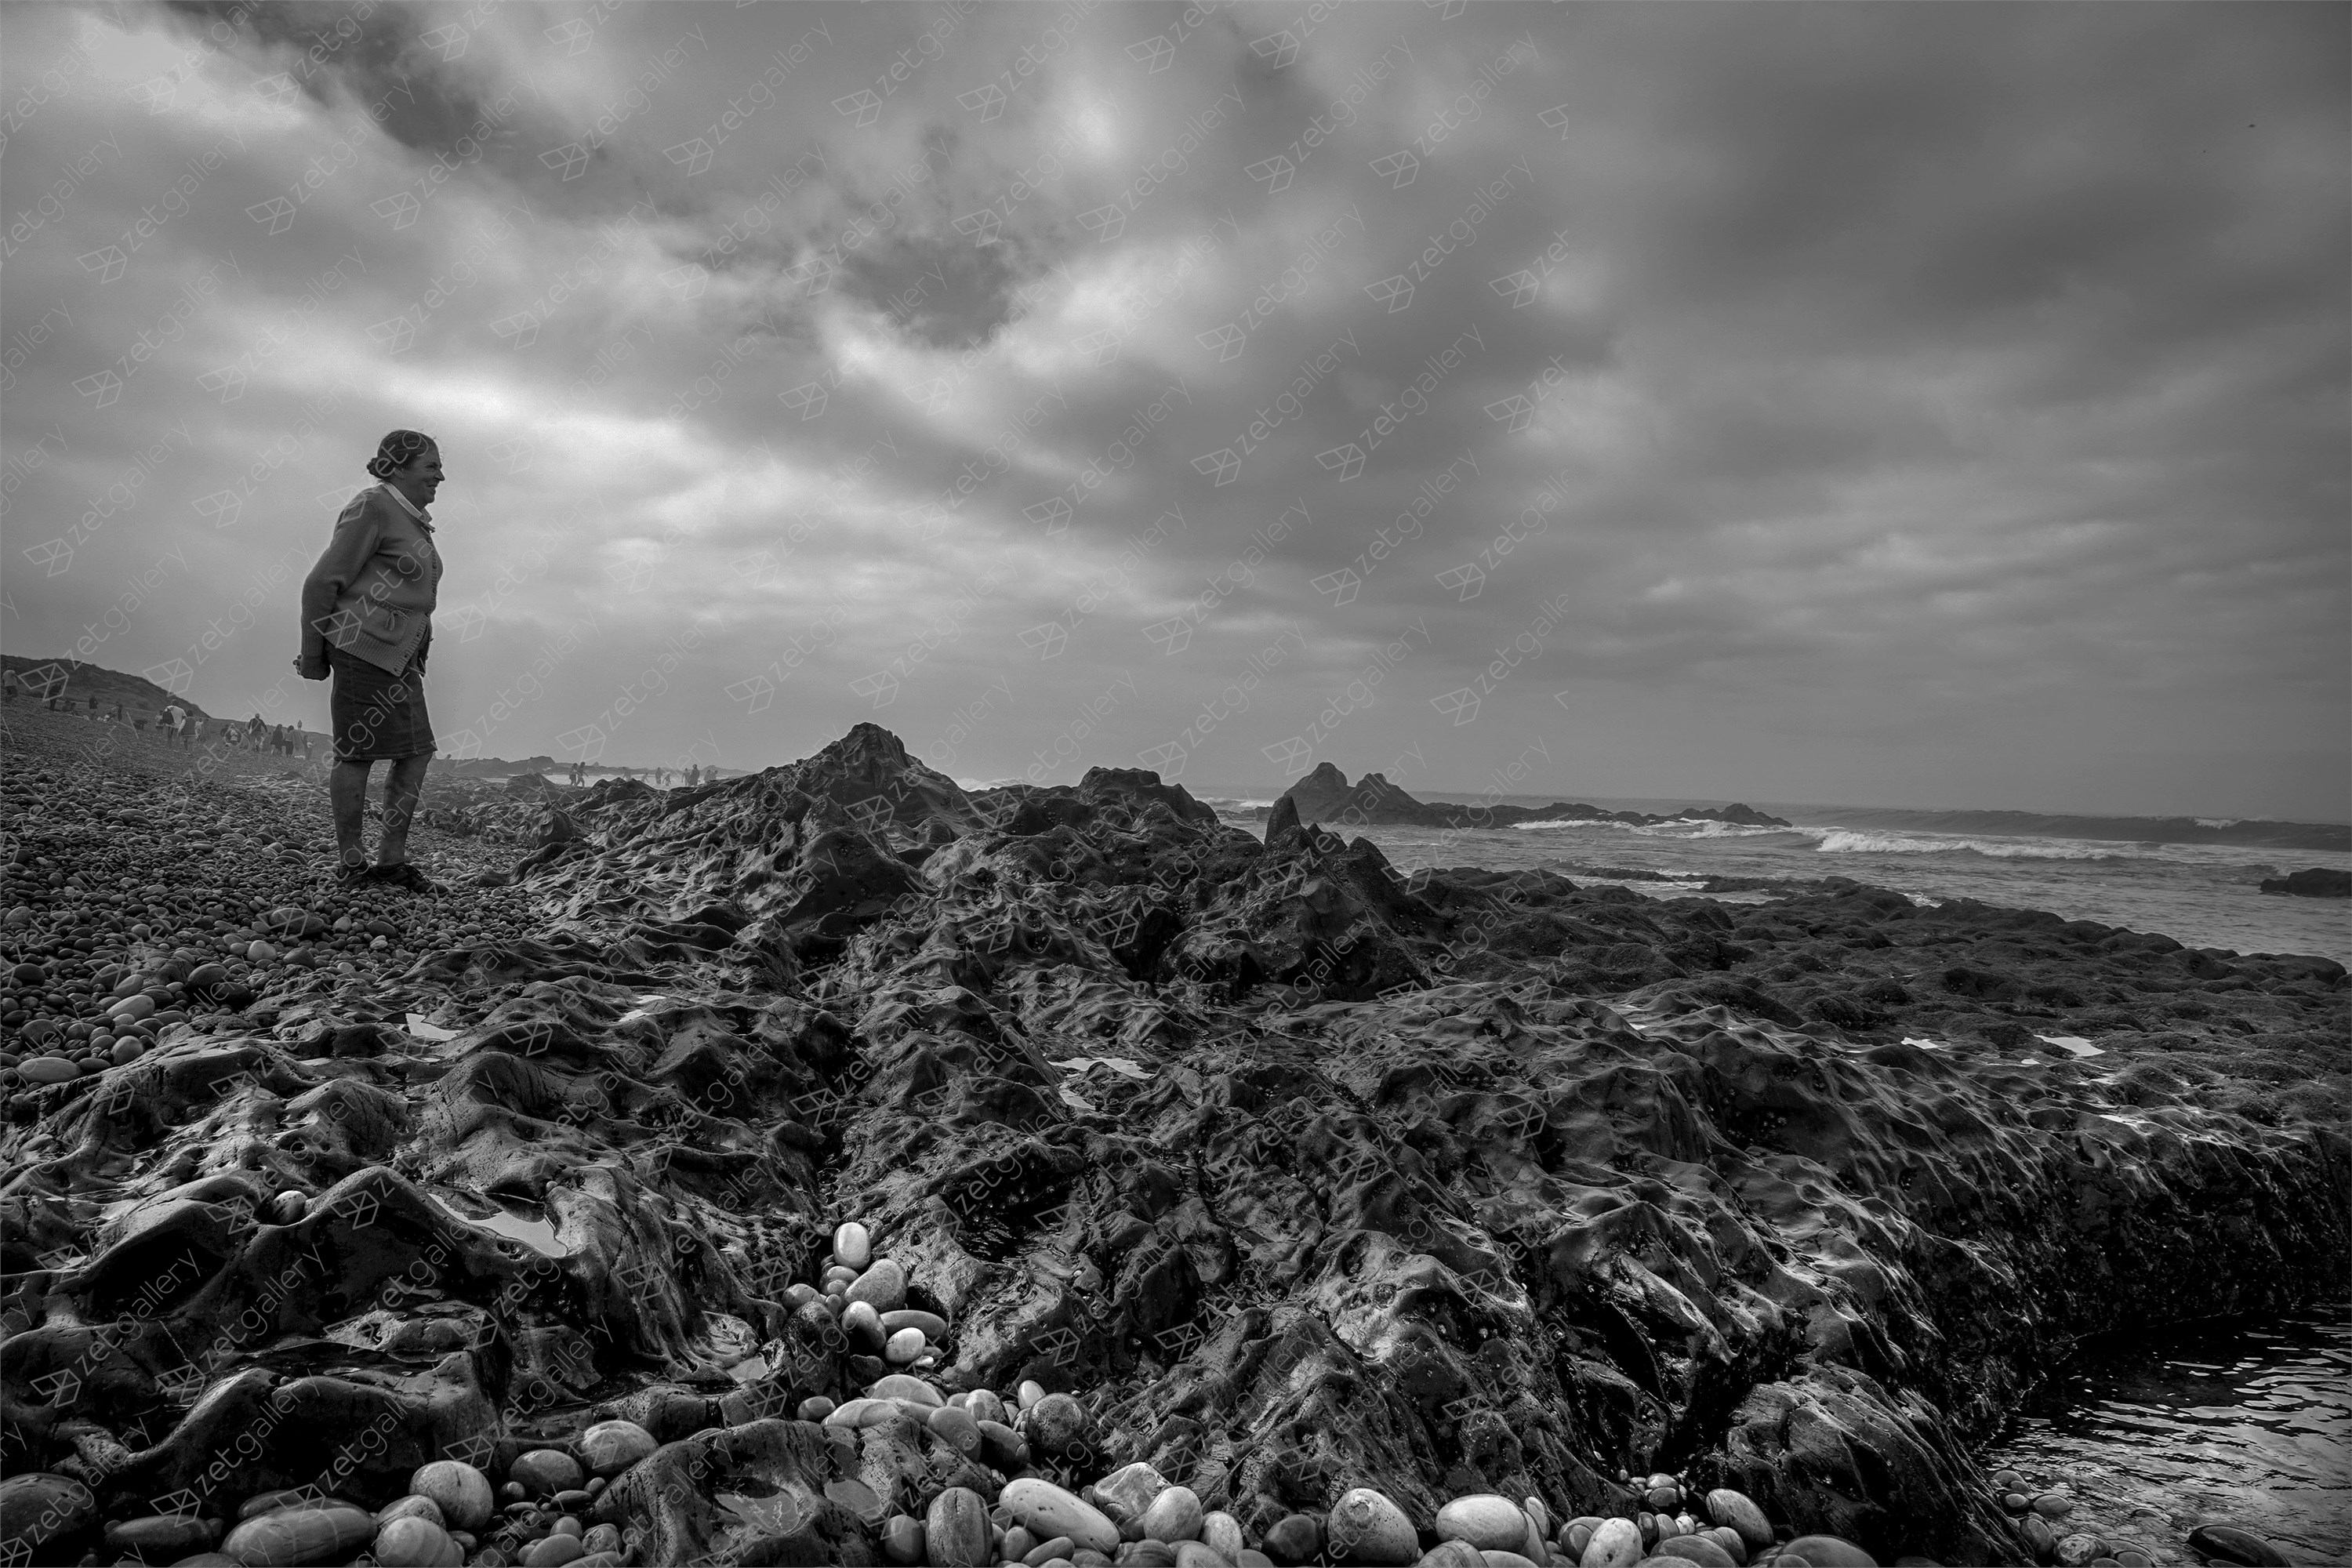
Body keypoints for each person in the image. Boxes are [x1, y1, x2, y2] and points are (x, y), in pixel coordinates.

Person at [297, 429, 447, 893]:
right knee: (357, 754)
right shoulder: (372, 507)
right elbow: (321, 584)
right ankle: (353, 866)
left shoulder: (409, 516)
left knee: (416, 751)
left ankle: (391, 862)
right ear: (398, 467)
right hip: (363, 647)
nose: (441, 476)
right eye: (431, 466)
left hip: (400, 655)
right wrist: (313, 655)